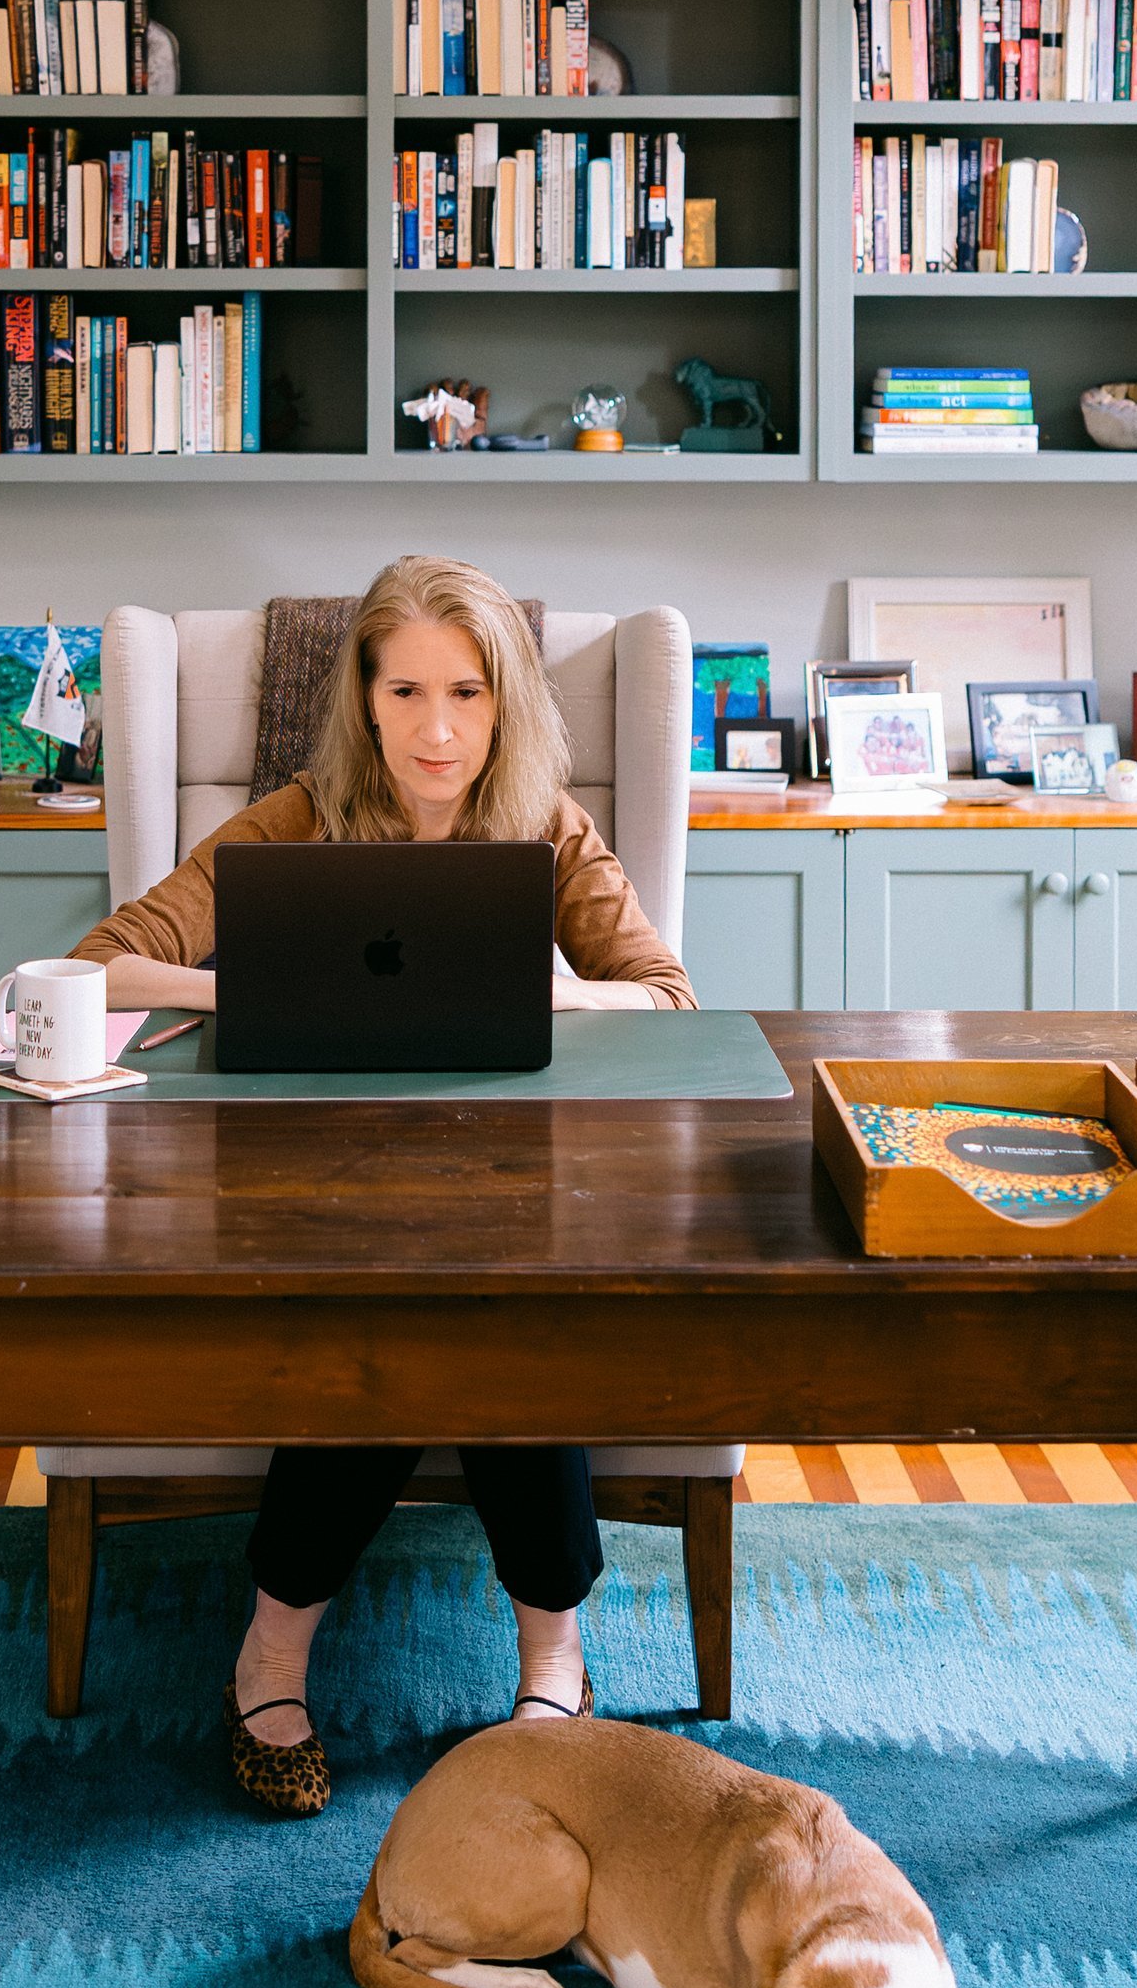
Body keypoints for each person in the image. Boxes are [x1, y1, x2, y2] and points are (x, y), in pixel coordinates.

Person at [73, 554, 694, 1818]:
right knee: (381, 1314)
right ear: (362, 698)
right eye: (405, 689)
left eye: (465, 691)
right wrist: (268, 989)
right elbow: (102, 968)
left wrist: (569, 993)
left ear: (504, 700)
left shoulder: (546, 825)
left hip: (512, 1178)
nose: (436, 726)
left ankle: (549, 1660)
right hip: (321, 1181)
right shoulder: (299, 818)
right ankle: (277, 1648)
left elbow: (669, 995)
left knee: (500, 1304)